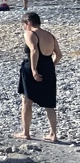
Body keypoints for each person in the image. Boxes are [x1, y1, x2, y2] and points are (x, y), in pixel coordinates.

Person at [17, 12, 61, 141]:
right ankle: (53, 134)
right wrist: (50, 66)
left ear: (28, 22)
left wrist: (34, 70)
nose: (24, 27)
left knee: (27, 101)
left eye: (24, 24)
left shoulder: (30, 33)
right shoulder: (50, 36)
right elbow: (58, 55)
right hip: (48, 69)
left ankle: (26, 132)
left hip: (32, 68)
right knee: (49, 103)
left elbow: (34, 50)